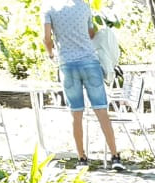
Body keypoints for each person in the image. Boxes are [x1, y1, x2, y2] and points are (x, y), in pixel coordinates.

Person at [41, 0, 122, 170]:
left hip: (67, 66)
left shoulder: (49, 8)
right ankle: (115, 157)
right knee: (101, 110)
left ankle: (82, 159)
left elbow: (46, 38)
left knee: (76, 114)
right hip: (90, 63)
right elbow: (91, 33)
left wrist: (51, 54)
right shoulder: (84, 6)